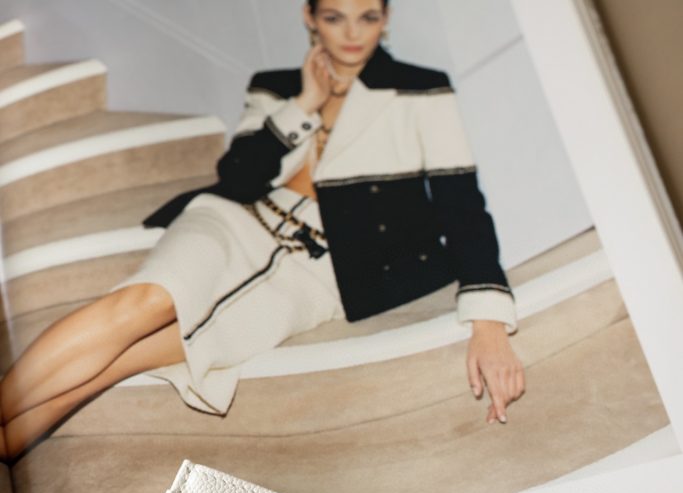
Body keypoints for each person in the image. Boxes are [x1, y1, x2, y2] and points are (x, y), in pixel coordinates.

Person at [0, 0, 525, 464]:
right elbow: (238, 177)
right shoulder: (275, 85)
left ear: (385, 19)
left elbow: (462, 206)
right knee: (142, 304)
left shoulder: (421, 90)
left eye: (367, 17)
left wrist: (489, 324)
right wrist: (305, 104)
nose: (352, 33)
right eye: (334, 17)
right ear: (309, 17)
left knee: (130, 358)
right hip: (235, 220)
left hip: (319, 272)